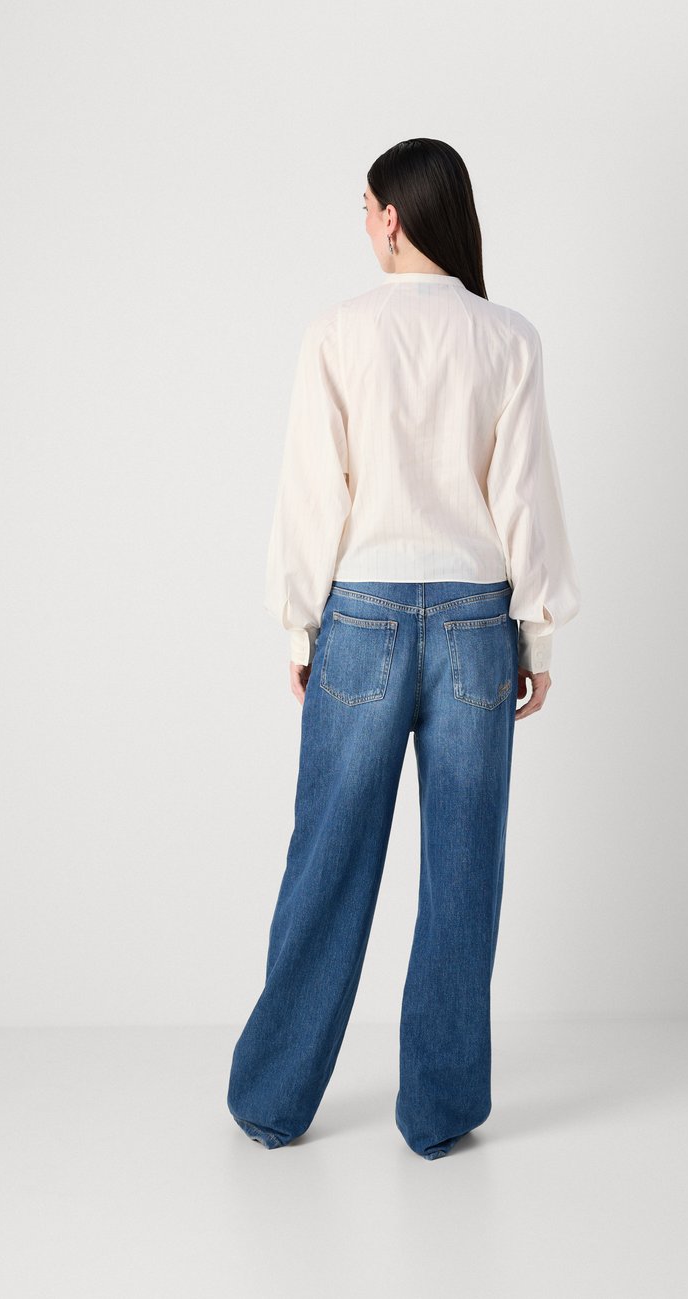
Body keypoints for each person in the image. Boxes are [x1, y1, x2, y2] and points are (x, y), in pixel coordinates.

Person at [227, 137, 581, 1160]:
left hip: (363, 615)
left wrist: (298, 620)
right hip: (476, 621)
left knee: (327, 859)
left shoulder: (337, 332)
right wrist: (536, 634)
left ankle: (273, 1098)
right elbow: (524, 498)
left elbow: (312, 490)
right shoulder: (508, 337)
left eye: (366, 208)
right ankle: (439, 1112)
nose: (365, 224)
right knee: (464, 868)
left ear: (391, 217)